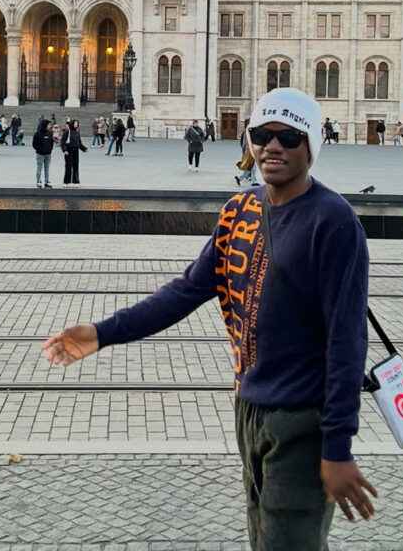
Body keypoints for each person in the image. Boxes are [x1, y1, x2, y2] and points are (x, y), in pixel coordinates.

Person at [44, 88, 377, 547]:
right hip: (249, 408)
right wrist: (103, 333)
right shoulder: (239, 211)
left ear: (311, 145)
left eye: (288, 136)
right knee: (263, 536)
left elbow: (347, 341)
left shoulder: (334, 222)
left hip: (303, 418)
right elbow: (186, 291)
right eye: (262, 134)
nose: (272, 146)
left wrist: (337, 447)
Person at [62, 118, 88, 185]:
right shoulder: (67, 132)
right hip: (68, 151)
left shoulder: (77, 133)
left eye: (77, 123)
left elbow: (79, 143)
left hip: (75, 151)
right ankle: (66, 181)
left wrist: (84, 149)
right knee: (68, 166)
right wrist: (64, 150)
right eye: (75, 123)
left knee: (76, 166)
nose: (76, 125)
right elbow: (62, 142)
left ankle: (76, 181)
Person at [33, 118, 54, 188]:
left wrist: (50, 149)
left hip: (48, 154)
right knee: (39, 168)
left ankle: (47, 181)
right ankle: (38, 181)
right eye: (49, 125)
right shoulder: (37, 134)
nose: (50, 126)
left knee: (47, 168)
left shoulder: (50, 133)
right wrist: (40, 150)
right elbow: (34, 144)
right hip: (40, 154)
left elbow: (51, 142)